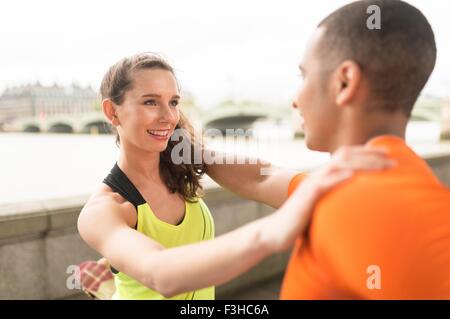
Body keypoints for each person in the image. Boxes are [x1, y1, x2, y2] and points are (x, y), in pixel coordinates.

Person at [77, 52, 393, 300]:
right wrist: (272, 232)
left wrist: (334, 185)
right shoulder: (102, 212)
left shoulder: (188, 160)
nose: (169, 116)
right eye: (150, 102)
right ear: (111, 111)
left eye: (173, 102)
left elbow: (262, 177)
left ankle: (109, 282)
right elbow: (163, 274)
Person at [280, 0, 450, 299]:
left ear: (345, 82)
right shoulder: (347, 183)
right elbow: (256, 178)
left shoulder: (347, 201)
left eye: (304, 75)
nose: (296, 98)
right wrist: (190, 151)